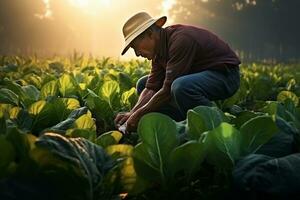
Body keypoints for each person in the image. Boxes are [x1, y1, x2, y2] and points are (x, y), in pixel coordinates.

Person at [115, 11, 241, 133]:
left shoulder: (181, 39)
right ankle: (182, 122)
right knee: (143, 84)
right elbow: (150, 88)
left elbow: (168, 90)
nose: (137, 54)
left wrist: (139, 114)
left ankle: (216, 123)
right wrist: (132, 113)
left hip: (225, 76)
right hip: (199, 77)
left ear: (150, 34)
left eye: (136, 47)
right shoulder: (158, 51)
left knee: (180, 86)